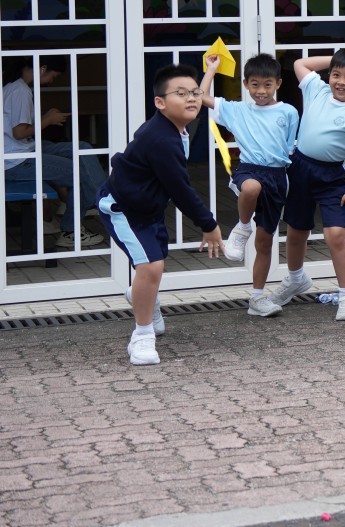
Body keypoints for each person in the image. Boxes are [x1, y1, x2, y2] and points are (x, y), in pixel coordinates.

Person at [99, 65, 224, 365]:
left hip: (148, 207)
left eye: (194, 93)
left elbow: (195, 98)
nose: (191, 99)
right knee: (151, 266)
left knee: (154, 263)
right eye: (181, 94)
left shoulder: (176, 126)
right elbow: (181, 190)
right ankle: (142, 336)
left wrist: (210, 70)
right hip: (122, 209)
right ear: (160, 102)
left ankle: (143, 297)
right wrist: (209, 225)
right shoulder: (161, 138)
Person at [267, 50, 345, 321]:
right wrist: (341, 57)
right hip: (300, 169)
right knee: (296, 230)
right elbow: (300, 63)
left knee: (336, 235)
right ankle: (295, 279)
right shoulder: (317, 90)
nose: (341, 82)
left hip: (334, 177)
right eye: (336, 74)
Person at [200, 52, 299, 316]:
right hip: (249, 169)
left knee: (265, 242)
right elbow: (201, 96)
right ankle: (242, 227)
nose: (261, 91)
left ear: (278, 83)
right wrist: (211, 69)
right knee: (251, 188)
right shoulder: (237, 110)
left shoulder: (289, 112)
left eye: (267, 84)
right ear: (245, 84)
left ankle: (256, 298)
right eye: (254, 84)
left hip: (277, 176)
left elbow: (290, 148)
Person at [2, 60, 106, 245]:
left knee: (82, 148)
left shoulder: (16, 87)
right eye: (53, 76)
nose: (51, 81)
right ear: (42, 68)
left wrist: (45, 117)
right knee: (80, 174)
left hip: (25, 150)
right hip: (17, 161)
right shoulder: (20, 91)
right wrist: (48, 120)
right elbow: (19, 133)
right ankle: (71, 231)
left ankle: (98, 198)